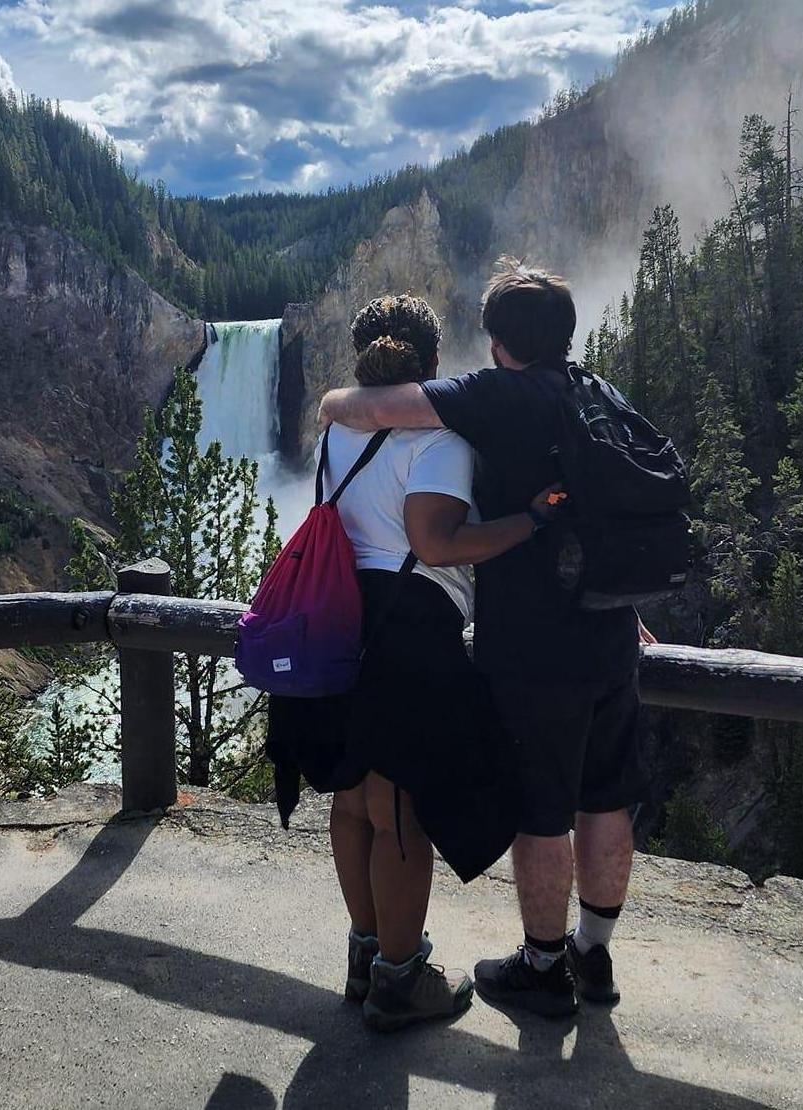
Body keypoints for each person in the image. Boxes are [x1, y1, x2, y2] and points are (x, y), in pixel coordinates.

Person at [319, 258, 653, 1018]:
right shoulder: (599, 392)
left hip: (529, 639)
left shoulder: (488, 398)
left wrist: (331, 400)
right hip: (608, 625)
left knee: (537, 807)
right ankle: (592, 957)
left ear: (497, 340)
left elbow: (375, 413)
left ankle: (537, 968)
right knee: (605, 800)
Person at [266, 293, 559, 1033]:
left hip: (337, 619)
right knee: (398, 806)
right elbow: (436, 545)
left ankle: (366, 956)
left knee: (351, 795)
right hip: (408, 626)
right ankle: (401, 979)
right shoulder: (440, 440)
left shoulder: (334, 427)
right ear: (432, 365)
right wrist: (528, 522)